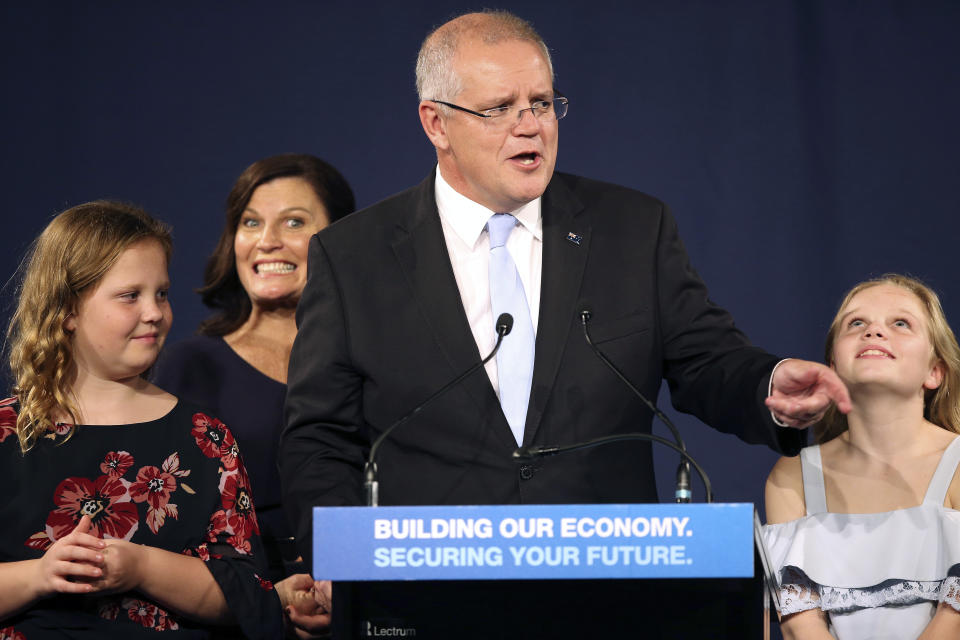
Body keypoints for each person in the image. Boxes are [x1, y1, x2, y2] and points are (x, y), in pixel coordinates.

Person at [280, 10, 850, 566]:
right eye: (500, 108)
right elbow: (319, 440)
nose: (529, 125)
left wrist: (770, 384)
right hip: (429, 585)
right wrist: (339, 563)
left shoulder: (631, 228)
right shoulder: (353, 256)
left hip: (605, 578)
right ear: (436, 123)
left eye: (542, 104)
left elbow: (707, 361)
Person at [0, 201, 282, 638]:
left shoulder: (205, 439)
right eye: (130, 295)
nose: (154, 312)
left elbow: (247, 594)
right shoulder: (8, 433)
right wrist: (40, 574)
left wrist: (142, 567)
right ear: (67, 309)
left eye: (162, 294)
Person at [151, 154, 355, 634]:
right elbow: (170, 531)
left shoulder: (382, 359)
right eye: (251, 222)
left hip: (369, 602)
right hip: (243, 614)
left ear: (344, 236)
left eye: (294, 221)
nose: (267, 241)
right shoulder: (191, 366)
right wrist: (272, 601)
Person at [763, 274, 960, 639]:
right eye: (856, 323)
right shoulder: (791, 477)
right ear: (833, 366)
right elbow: (800, 630)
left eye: (900, 323)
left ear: (935, 371)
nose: (873, 332)